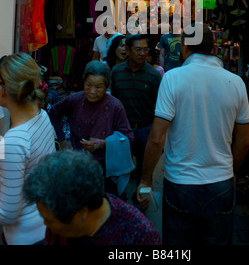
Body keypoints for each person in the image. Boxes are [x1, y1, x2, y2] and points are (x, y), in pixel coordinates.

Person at [137, 24, 249, 245]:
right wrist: (232, 171)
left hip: (181, 183)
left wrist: (145, 179)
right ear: (214, 47)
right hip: (221, 183)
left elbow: (157, 138)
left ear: (185, 46)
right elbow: (244, 141)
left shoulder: (173, 78)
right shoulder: (236, 83)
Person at [23, 149, 161, 245]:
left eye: (49, 220)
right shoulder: (59, 225)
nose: (45, 225)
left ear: (82, 212)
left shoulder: (139, 236)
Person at [49, 60, 134, 195]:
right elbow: (54, 114)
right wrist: (64, 140)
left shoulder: (115, 106)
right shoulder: (74, 99)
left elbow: (128, 138)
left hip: (104, 169)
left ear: (107, 87)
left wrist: (103, 143)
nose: (92, 91)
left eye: (98, 87)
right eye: (88, 85)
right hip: (77, 165)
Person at [0, 52, 56, 245]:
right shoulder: (41, 116)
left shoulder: (15, 140)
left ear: (3, 90)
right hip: (44, 225)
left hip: (25, 235)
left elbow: (8, 214)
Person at [111, 34, 162, 188]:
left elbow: (158, 106)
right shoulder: (117, 72)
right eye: (138, 49)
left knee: (144, 173)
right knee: (119, 171)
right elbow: (115, 101)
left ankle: (141, 204)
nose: (142, 53)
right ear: (127, 50)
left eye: (145, 50)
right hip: (123, 130)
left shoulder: (153, 76)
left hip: (145, 130)